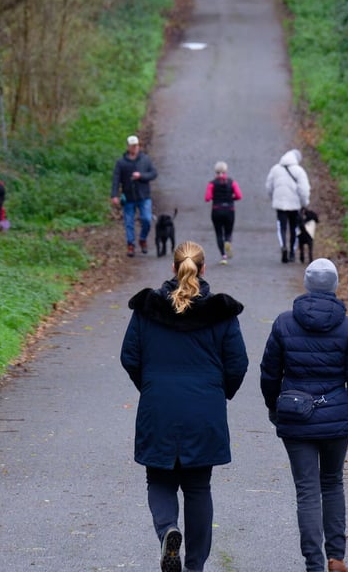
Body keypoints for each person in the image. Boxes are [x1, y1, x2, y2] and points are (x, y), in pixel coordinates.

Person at [121, 241, 249, 572]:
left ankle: (168, 530)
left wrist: (149, 386)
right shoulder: (220, 312)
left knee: (159, 480)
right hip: (203, 410)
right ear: (203, 269)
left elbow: (129, 357)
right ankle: (194, 566)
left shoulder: (148, 309)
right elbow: (237, 363)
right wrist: (218, 394)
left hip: (158, 406)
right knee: (198, 486)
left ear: (172, 269)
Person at [259, 258, 348, 572]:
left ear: (307, 285)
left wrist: (273, 406)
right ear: (334, 287)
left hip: (296, 418)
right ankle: (336, 556)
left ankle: (314, 563)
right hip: (336, 418)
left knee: (307, 489)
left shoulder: (284, 323)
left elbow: (269, 373)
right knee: (333, 483)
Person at [111, 135, 159, 257]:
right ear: (128, 147)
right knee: (129, 222)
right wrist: (114, 195)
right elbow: (116, 179)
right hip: (128, 197)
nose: (135, 148)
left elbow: (153, 174)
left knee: (147, 219)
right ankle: (130, 244)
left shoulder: (145, 159)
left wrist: (141, 176)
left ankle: (142, 238)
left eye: (136, 145)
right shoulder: (121, 163)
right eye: (132, 146)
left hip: (144, 196)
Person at [265, 148, 310, 263]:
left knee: (282, 227)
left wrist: (273, 198)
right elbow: (304, 189)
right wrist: (304, 203)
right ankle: (292, 253)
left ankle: (283, 246)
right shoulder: (299, 171)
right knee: (294, 228)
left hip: (280, 204)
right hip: (295, 205)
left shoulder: (275, 169)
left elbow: (269, 186)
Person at [204, 161, 243, 265]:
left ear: (215, 172)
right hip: (229, 210)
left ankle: (223, 256)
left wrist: (214, 197)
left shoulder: (211, 184)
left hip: (216, 210)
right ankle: (228, 242)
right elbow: (239, 196)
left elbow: (207, 198)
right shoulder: (232, 182)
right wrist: (231, 198)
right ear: (226, 171)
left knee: (218, 233)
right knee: (228, 231)